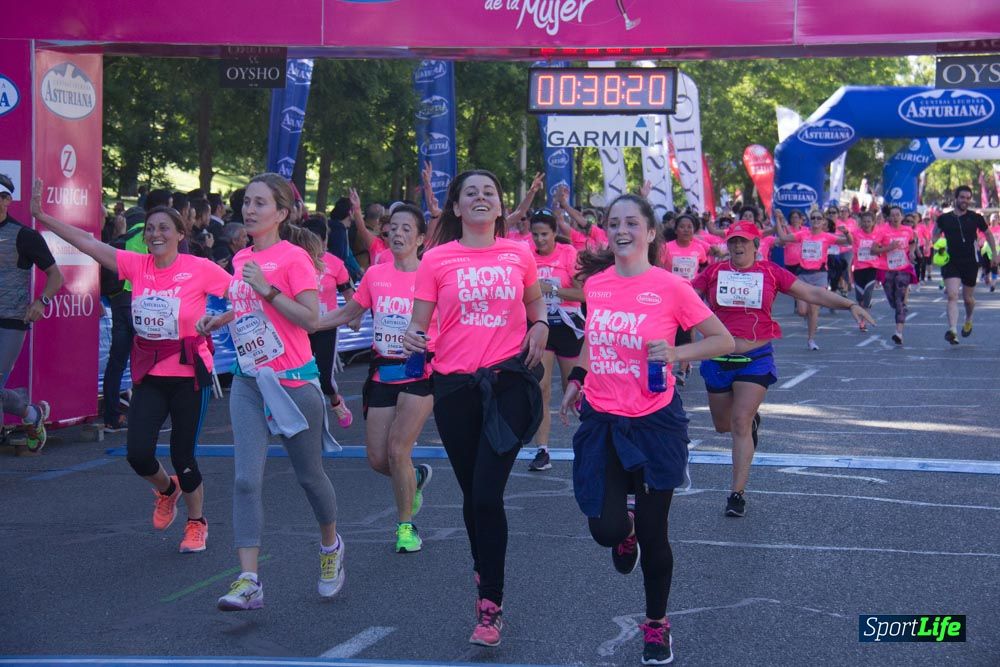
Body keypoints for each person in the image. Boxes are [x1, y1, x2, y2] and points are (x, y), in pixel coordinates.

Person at [559, 194, 735, 666]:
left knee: (657, 536)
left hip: (655, 422)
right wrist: (577, 380)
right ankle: (624, 529)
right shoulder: (597, 285)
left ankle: (657, 625)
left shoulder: (670, 287)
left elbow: (723, 338)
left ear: (651, 233)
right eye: (614, 223)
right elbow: (594, 341)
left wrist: (677, 355)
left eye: (632, 223)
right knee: (604, 528)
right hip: (602, 418)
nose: (622, 230)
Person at [33, 181, 229, 551]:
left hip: (189, 373)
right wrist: (43, 217)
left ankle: (196, 522)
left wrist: (220, 320)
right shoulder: (136, 265)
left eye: (163, 228)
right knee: (138, 453)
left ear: (180, 234)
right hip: (150, 373)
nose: (155, 234)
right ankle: (166, 489)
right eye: (151, 228)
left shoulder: (200, 268)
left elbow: (243, 296)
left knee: (183, 455)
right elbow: (89, 244)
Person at [402, 170, 547, 647]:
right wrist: (411, 337)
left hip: (506, 384)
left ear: (501, 208)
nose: (481, 198)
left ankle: (491, 604)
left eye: (490, 192)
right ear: (457, 209)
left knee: (487, 495)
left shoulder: (519, 253)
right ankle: (482, 571)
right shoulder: (436, 259)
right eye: (471, 193)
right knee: (471, 496)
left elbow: (535, 303)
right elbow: (419, 324)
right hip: (454, 388)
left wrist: (541, 324)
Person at [197, 173, 343, 611]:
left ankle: (331, 548)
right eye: (246, 202)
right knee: (245, 479)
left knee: (309, 477)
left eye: (260, 203)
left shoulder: (294, 258)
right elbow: (248, 311)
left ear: (281, 213)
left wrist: (268, 288)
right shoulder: (241, 258)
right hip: (248, 382)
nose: (249, 209)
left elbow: (311, 320)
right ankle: (249, 579)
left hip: (294, 383)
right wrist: (219, 320)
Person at [690, 221, 875, 518]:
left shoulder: (770, 273)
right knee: (723, 426)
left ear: (755, 245)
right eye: (733, 241)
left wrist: (849, 304)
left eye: (744, 242)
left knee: (739, 421)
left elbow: (811, 293)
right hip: (718, 357)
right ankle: (751, 425)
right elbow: (682, 295)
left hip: (756, 356)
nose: (738, 247)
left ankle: (736, 494)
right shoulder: (713, 272)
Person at [319, 204, 435, 553]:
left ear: (420, 237)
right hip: (382, 370)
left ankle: (405, 527)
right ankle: (414, 480)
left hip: (420, 371)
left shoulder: (432, 275)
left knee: (399, 449)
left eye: (405, 229)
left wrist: (430, 341)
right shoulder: (375, 275)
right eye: (392, 228)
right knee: (377, 459)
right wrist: (309, 323)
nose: (397, 234)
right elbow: (349, 313)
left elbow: (449, 323)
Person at [0, 175, 62, 453]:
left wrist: (42, 301)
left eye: (1, 196)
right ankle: (31, 414)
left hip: (11, 322)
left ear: (8, 200)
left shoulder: (24, 235)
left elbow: (56, 276)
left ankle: (31, 414)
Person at [527, 207, 584, 472]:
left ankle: (590, 444)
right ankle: (542, 450)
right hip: (542, 326)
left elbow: (584, 294)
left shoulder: (569, 254)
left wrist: (555, 290)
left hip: (568, 326)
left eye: (544, 234)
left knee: (575, 390)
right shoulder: (526, 255)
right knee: (542, 388)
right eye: (535, 234)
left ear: (554, 233)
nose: (540, 240)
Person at [303, 215, 356, 428]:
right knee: (299, 375)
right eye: (307, 242)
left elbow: (351, 296)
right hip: (300, 326)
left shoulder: (335, 264)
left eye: (316, 241)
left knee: (324, 378)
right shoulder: (295, 262)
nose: (312, 247)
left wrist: (355, 316)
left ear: (325, 241)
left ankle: (335, 402)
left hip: (327, 326)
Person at [773, 209, 851, 350]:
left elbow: (847, 242)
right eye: (813, 218)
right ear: (810, 220)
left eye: (818, 218)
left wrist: (847, 232)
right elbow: (783, 238)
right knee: (802, 311)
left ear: (823, 222)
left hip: (820, 275)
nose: (815, 220)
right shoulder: (803, 235)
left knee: (814, 309)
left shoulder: (827, 237)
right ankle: (809, 319)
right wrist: (778, 220)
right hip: (803, 275)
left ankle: (811, 340)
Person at [934, 185, 997, 343]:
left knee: (968, 298)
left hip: (970, 261)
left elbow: (988, 234)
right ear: (955, 198)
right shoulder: (944, 218)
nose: (965, 201)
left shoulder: (975, 217)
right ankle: (953, 330)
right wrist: (939, 247)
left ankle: (969, 318)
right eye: (962, 197)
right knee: (952, 295)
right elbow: (934, 236)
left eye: (968, 198)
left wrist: (995, 254)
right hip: (951, 261)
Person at [659, 213, 709, 385]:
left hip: (690, 295)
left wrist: (699, 286)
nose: (686, 230)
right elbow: (658, 269)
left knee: (688, 329)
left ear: (694, 229)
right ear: (676, 229)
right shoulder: (667, 247)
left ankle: (682, 369)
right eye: (682, 226)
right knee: (669, 330)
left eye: (689, 227)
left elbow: (703, 266)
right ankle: (671, 366)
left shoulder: (699, 248)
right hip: (669, 294)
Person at [871, 205, 917, 346]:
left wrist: (911, 252)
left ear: (902, 217)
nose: (896, 217)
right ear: (889, 217)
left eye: (898, 215)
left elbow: (912, 242)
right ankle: (900, 309)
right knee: (893, 302)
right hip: (887, 270)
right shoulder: (882, 231)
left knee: (900, 301)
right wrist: (889, 248)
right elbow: (873, 250)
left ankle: (899, 332)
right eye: (893, 215)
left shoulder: (908, 230)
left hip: (903, 269)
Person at [850, 211, 880, 331]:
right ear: (860, 222)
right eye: (864, 221)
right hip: (858, 269)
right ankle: (864, 309)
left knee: (867, 295)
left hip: (872, 268)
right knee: (860, 299)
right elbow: (847, 239)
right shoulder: (856, 233)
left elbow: (883, 245)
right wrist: (845, 233)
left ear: (873, 222)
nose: (866, 224)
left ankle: (863, 322)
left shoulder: (878, 234)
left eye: (869, 221)